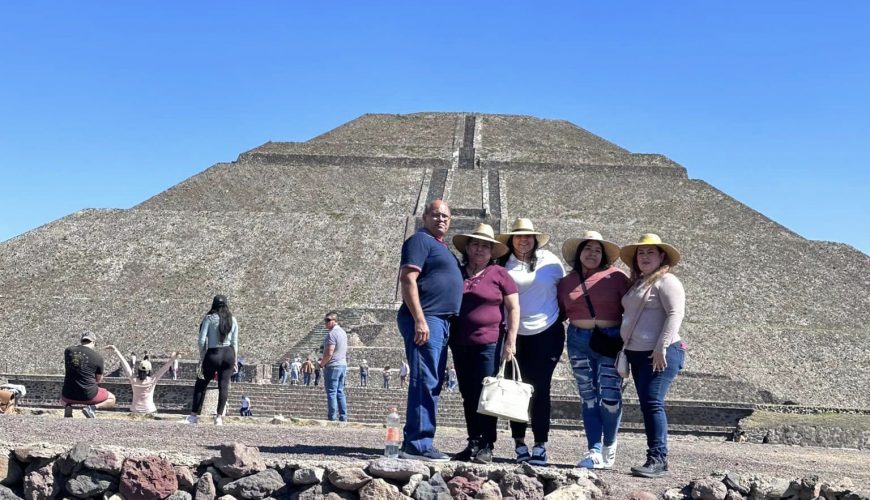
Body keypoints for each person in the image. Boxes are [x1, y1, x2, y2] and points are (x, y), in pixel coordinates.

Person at [396, 199, 463, 462]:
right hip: (427, 318)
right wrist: (420, 320)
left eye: (445, 216)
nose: (441, 219)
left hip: (442, 321)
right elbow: (407, 278)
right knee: (425, 379)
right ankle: (417, 444)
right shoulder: (420, 241)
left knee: (432, 381)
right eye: (435, 215)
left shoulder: (441, 247)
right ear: (424, 217)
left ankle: (422, 440)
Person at [558, 231, 630, 469]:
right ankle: (594, 450)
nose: (592, 254)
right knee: (588, 397)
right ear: (579, 253)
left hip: (610, 340)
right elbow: (558, 312)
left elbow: (633, 309)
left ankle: (609, 443)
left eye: (597, 250)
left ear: (604, 255)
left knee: (610, 397)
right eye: (587, 249)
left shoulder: (617, 278)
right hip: (578, 341)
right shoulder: (566, 282)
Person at [496, 218, 565, 466]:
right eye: (518, 236)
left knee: (540, 389)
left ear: (535, 239)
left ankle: (540, 444)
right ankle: (519, 442)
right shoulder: (501, 265)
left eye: (528, 236)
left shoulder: (551, 261)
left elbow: (565, 291)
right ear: (511, 240)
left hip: (548, 334)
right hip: (514, 335)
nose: (523, 240)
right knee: (516, 389)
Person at [449, 223, 519, 464]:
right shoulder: (457, 272)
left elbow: (513, 307)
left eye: (485, 246)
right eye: (475, 244)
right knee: (468, 394)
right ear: (467, 248)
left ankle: (487, 443)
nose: (479, 249)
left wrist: (511, 340)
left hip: (489, 342)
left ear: (492, 252)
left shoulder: (500, 274)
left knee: (486, 394)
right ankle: (473, 441)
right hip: (460, 342)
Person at [619, 234, 687, 478]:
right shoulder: (640, 283)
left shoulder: (667, 281)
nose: (644, 257)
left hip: (660, 353)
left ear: (661, 257)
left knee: (653, 402)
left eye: (650, 252)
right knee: (648, 405)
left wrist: (661, 346)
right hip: (637, 354)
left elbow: (675, 314)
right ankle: (656, 457)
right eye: (641, 253)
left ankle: (658, 458)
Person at [183, 294, 239, 426]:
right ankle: (219, 417)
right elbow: (235, 342)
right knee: (224, 386)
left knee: (201, 384)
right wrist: (235, 360)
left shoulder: (209, 318)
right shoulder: (233, 320)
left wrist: (203, 356)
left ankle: (193, 416)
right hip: (229, 354)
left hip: (213, 353)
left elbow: (201, 340)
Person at [104, 345, 181, 414]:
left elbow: (125, 365)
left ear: (138, 370)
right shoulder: (152, 380)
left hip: (135, 411)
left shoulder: (133, 379)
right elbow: (165, 368)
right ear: (149, 371)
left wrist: (115, 350)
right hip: (150, 411)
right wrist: (174, 357)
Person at [61, 331, 117, 418]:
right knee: (112, 398)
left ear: (81, 340)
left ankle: (67, 406)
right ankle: (91, 408)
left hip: (68, 395)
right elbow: (98, 379)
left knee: (62, 397)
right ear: (94, 342)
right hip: (89, 395)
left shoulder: (68, 351)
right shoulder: (98, 358)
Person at [320, 311, 348, 421]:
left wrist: (322, 363)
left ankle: (332, 418)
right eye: (325, 320)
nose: (326, 323)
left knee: (331, 392)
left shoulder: (332, 334)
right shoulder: (343, 332)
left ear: (334, 321)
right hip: (342, 364)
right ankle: (343, 417)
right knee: (340, 391)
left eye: (328, 320)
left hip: (333, 366)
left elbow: (329, 352)